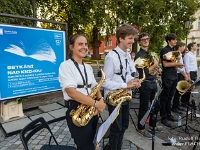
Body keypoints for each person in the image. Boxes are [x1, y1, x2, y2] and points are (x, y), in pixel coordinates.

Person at [59, 34, 106, 150]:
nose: (84, 47)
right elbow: (71, 93)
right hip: (77, 109)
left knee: (93, 142)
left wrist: (100, 100)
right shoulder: (66, 66)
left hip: (91, 107)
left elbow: (95, 86)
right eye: (80, 44)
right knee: (85, 146)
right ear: (71, 47)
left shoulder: (88, 67)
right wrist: (96, 104)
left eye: (85, 44)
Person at [102, 24, 141, 150]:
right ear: (121, 38)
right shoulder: (111, 57)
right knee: (116, 129)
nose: (133, 41)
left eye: (133, 38)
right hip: (114, 98)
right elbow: (104, 82)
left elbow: (127, 75)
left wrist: (133, 81)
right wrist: (126, 85)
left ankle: (116, 146)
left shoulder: (127, 55)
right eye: (130, 38)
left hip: (125, 96)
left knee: (124, 126)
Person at [135, 32, 162, 139]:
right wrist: (155, 64)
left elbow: (152, 67)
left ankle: (152, 125)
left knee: (156, 106)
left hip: (153, 82)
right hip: (145, 84)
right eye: (143, 39)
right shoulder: (139, 55)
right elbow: (144, 73)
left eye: (147, 39)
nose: (146, 40)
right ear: (139, 42)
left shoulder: (148, 53)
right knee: (144, 107)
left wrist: (157, 68)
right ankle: (141, 128)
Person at [159, 33, 184, 127]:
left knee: (170, 97)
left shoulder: (174, 50)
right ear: (169, 41)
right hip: (167, 76)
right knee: (164, 97)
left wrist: (178, 65)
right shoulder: (164, 50)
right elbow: (165, 64)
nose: (175, 41)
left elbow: (174, 62)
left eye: (175, 39)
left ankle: (169, 114)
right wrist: (177, 64)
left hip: (174, 75)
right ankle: (163, 117)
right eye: (174, 39)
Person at [172, 42, 188, 114]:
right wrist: (185, 75)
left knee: (179, 92)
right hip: (178, 74)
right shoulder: (177, 55)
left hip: (180, 74)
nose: (183, 48)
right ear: (179, 47)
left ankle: (177, 105)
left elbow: (181, 66)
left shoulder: (180, 55)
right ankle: (175, 107)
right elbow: (178, 67)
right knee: (177, 91)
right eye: (182, 47)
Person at [182, 42, 198, 107]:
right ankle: (183, 102)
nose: (197, 47)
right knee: (187, 88)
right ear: (191, 47)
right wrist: (188, 75)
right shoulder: (187, 55)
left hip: (194, 72)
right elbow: (187, 66)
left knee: (190, 88)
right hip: (190, 73)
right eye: (195, 45)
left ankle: (187, 101)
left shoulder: (193, 54)